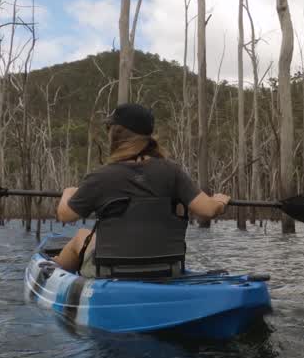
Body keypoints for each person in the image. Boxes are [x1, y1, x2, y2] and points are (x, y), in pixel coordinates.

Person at [53, 102, 229, 275]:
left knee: (81, 236)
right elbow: (209, 209)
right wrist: (220, 201)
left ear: (114, 135)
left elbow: (65, 215)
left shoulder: (100, 177)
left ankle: (53, 274)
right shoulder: (172, 172)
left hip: (111, 270)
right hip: (167, 268)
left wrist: (68, 193)